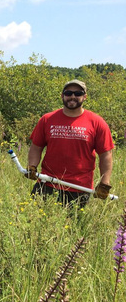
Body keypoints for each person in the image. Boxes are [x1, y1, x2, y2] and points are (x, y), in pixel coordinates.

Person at [25, 79, 114, 207]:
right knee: (36, 223)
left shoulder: (97, 122)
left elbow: (106, 154)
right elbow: (36, 147)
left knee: (72, 226)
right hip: (47, 183)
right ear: (62, 96)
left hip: (79, 188)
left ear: (85, 97)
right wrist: (32, 166)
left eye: (78, 93)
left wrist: (104, 183)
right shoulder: (47, 119)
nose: (73, 96)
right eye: (68, 93)